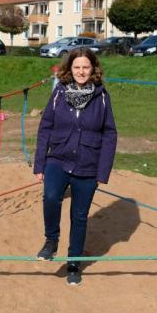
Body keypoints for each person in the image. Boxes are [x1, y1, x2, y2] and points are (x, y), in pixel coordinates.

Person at [33, 47, 117, 285]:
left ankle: (74, 264)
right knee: (50, 197)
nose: (81, 71)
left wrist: (103, 171)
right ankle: (51, 241)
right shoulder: (59, 93)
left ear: (93, 70)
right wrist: (40, 164)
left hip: (88, 164)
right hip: (58, 158)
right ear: (70, 69)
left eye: (85, 67)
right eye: (77, 67)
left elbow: (110, 134)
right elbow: (45, 127)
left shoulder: (101, 97)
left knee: (79, 216)